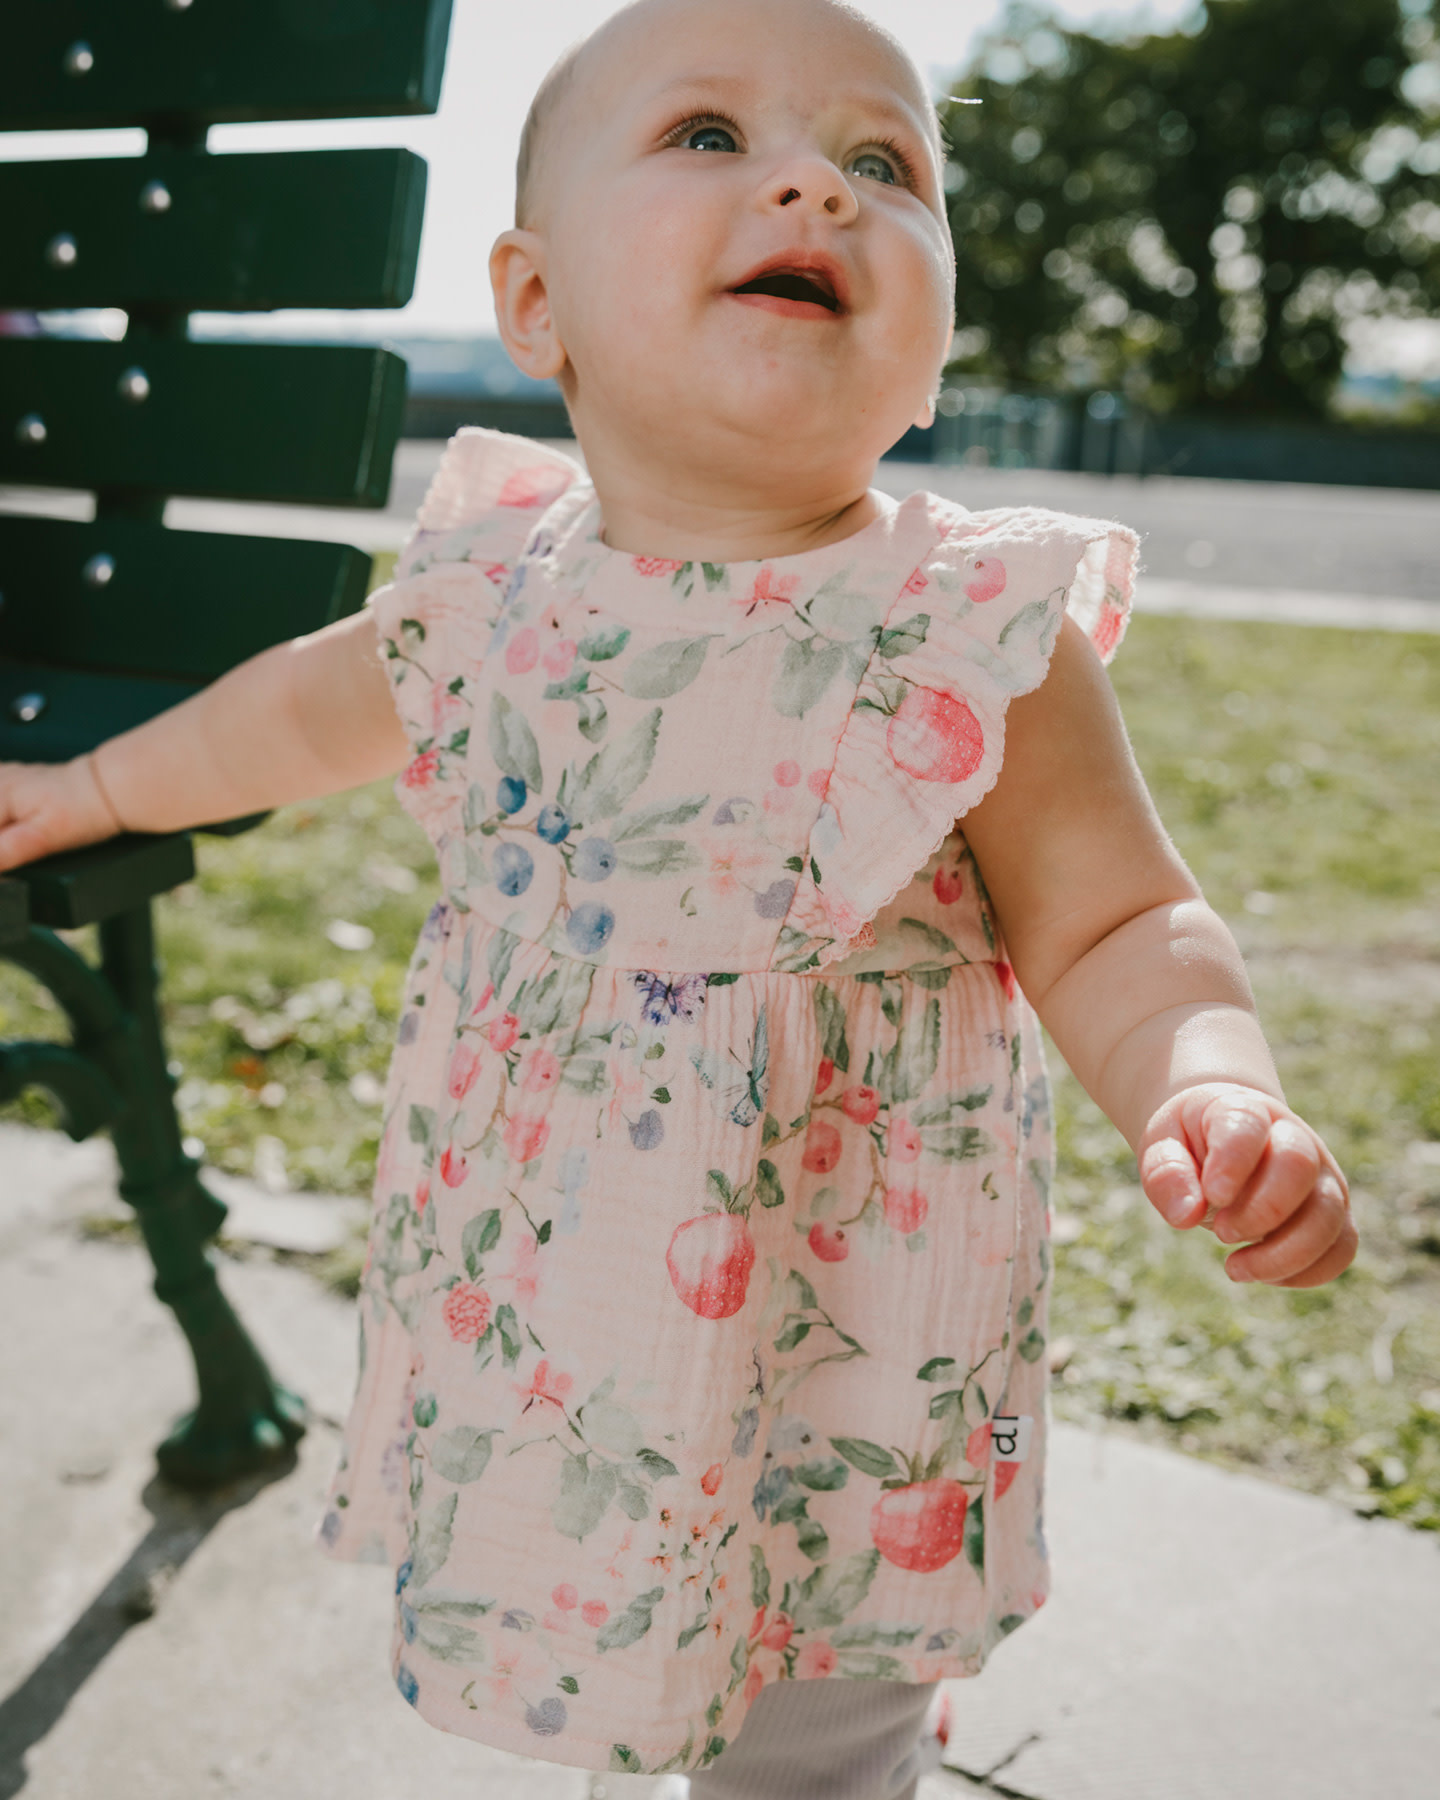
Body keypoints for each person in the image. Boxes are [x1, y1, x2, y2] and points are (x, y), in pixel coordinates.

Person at [0, 2, 1357, 1795]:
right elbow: (296, 715)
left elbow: (1117, 923)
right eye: (708, 135)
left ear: (936, 347)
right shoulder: (495, 591)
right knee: (615, 1626)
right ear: (537, 305)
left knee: (810, 1719)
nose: (816, 182)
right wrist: (95, 789)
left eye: (883, 162)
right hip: (559, 1323)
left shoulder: (971, 636)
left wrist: (1212, 1081)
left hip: (846, 1358)